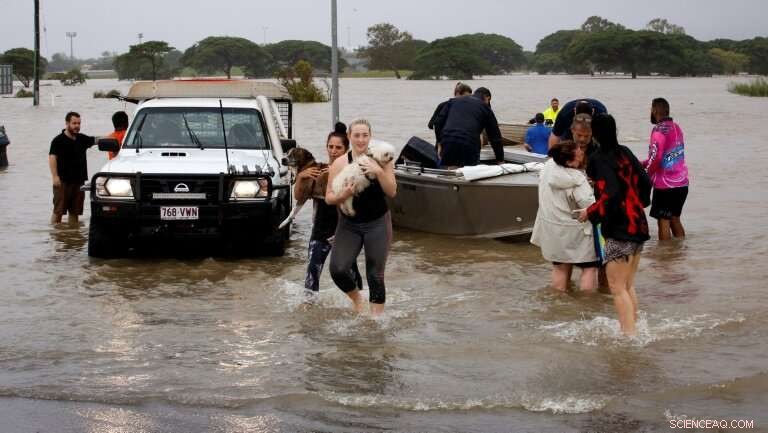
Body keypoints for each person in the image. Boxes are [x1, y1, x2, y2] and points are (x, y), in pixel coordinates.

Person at [581, 113, 651, 336]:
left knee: (617, 288)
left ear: (595, 133)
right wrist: (639, 204)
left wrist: (589, 213)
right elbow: (646, 181)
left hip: (620, 228)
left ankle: (629, 337)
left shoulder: (599, 158)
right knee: (628, 285)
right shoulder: (625, 152)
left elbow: (609, 195)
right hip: (638, 224)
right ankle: (635, 329)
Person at [325, 119, 397, 316]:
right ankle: (358, 300)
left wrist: (378, 172)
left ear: (370, 136)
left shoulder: (382, 157)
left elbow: (392, 192)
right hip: (349, 224)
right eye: (356, 135)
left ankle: (376, 321)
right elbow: (329, 198)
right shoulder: (340, 162)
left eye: (365, 135)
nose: (361, 139)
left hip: (377, 222)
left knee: (375, 274)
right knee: (338, 269)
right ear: (349, 137)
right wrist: (343, 195)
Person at [301, 122, 363, 297]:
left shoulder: (352, 172)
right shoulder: (317, 170)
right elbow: (299, 198)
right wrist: (301, 177)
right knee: (312, 273)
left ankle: (362, 306)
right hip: (320, 232)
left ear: (346, 149)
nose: (333, 151)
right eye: (330, 147)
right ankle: (309, 311)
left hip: (344, 233)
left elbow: (357, 207)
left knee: (350, 274)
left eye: (338, 147)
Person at [531, 140, 597, 292]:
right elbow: (589, 205)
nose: (581, 154)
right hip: (576, 231)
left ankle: (559, 304)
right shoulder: (577, 179)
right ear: (569, 162)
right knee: (589, 268)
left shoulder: (547, 168)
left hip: (551, 228)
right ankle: (588, 308)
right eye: (578, 155)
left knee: (560, 267)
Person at [643, 98, 689, 240]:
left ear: (655, 110)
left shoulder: (658, 130)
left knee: (663, 220)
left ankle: (665, 257)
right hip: (682, 183)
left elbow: (656, 158)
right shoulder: (676, 128)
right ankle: (680, 253)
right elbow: (668, 156)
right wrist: (642, 163)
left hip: (665, 186)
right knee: (675, 218)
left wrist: (646, 174)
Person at [48, 112, 99, 225]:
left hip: (79, 182)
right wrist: (55, 176)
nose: (77, 126)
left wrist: (116, 136)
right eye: (74, 123)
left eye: (79, 123)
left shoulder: (82, 139)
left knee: (75, 213)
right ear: (67, 123)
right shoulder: (58, 140)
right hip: (62, 182)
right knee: (58, 212)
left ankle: (72, 236)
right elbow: (52, 158)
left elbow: (96, 140)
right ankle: (55, 237)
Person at [434, 87, 504, 167]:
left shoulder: (453, 101)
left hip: (448, 141)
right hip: (469, 143)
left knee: (452, 170)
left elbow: (438, 123)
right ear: (487, 97)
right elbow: (495, 137)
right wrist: (500, 160)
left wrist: (440, 143)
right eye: (489, 101)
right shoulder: (485, 108)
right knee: (469, 172)